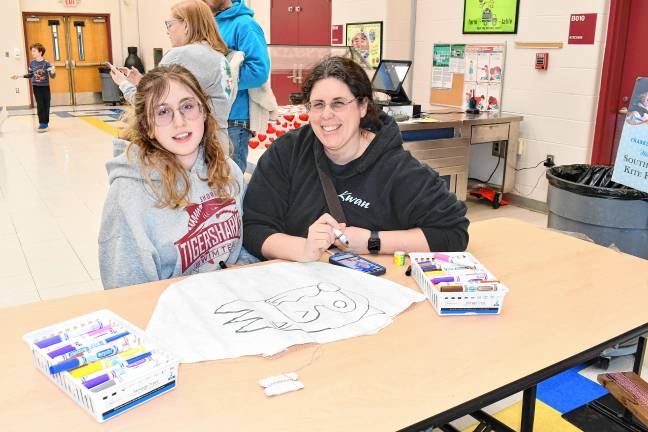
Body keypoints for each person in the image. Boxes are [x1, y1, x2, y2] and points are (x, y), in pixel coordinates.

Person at [243, 56, 469, 262]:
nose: (326, 115)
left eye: (339, 103)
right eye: (318, 105)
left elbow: (452, 232)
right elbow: (254, 227)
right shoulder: (287, 153)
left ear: (363, 106)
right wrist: (304, 249)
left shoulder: (397, 168)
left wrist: (372, 241)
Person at [99, 64, 246, 289]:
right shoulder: (128, 196)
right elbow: (127, 294)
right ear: (147, 126)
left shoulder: (228, 170)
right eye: (163, 112)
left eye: (187, 106)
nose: (180, 122)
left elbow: (243, 249)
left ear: (204, 112)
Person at [111, 0, 233, 154]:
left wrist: (123, 84)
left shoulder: (181, 55)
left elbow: (150, 106)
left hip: (191, 149)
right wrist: (142, 82)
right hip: (219, 145)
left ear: (186, 25)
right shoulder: (219, 57)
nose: (167, 31)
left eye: (170, 24)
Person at [203, 0, 271, 173]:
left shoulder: (245, 25)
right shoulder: (211, 24)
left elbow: (258, 72)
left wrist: (218, 83)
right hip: (212, 117)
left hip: (234, 121)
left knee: (231, 183)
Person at [11, 43, 55, 132]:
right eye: (32, 51)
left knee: (46, 104)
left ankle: (46, 123)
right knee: (40, 104)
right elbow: (30, 75)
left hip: (45, 87)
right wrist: (19, 76)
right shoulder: (32, 63)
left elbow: (52, 76)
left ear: (40, 52)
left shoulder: (46, 63)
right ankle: (42, 123)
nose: (32, 53)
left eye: (34, 51)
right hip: (36, 87)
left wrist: (53, 71)